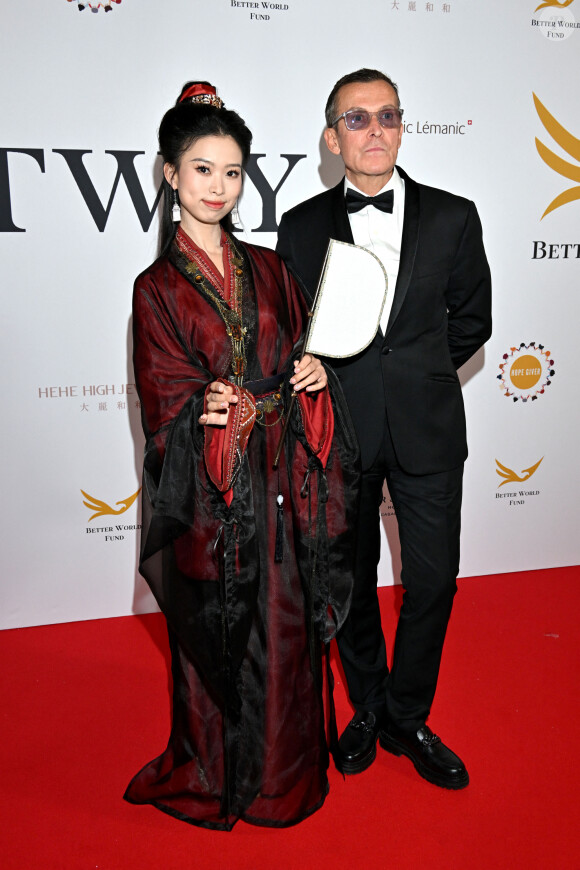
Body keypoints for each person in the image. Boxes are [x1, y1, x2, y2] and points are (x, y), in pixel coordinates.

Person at [124, 82, 359, 830]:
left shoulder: (269, 266)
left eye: (231, 171)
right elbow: (163, 395)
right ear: (170, 173)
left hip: (280, 480)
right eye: (201, 169)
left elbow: (293, 354)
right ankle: (219, 768)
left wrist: (313, 376)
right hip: (215, 492)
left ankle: (282, 779)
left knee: (284, 625)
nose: (219, 187)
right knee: (223, 630)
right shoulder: (156, 287)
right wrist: (203, 409)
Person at [276, 69, 492, 790]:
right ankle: (367, 703)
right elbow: (293, 333)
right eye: (358, 119)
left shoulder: (456, 216)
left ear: (403, 126)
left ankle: (408, 712)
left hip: (430, 430)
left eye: (388, 116)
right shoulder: (301, 227)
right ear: (333, 137)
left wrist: (420, 373)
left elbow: (473, 319)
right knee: (351, 581)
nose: (376, 131)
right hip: (341, 431)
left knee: (433, 580)